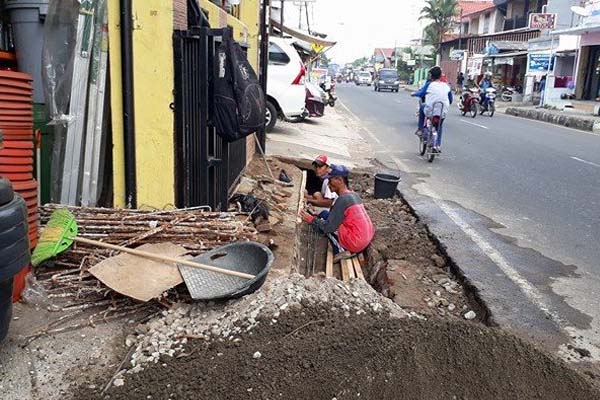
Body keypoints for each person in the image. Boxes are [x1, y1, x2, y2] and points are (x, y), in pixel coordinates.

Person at [300, 165, 375, 262]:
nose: (328, 184)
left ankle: (341, 250)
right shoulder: (353, 195)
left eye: (330, 180)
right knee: (324, 214)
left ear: (339, 180)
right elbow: (333, 215)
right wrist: (316, 217)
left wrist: (311, 220)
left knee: (326, 228)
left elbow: (328, 227)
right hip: (365, 237)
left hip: (356, 242)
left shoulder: (342, 200)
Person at [423, 66, 453, 153]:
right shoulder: (446, 86)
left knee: (422, 107)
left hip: (430, 111)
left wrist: (414, 94)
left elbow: (421, 93)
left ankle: (420, 129)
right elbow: (450, 99)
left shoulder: (429, 84)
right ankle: (438, 145)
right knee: (439, 126)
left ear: (431, 76)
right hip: (442, 111)